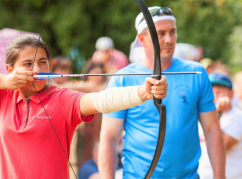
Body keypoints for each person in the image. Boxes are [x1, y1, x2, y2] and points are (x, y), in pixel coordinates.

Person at [0, 34, 168, 179]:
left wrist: (144, 92)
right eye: (27, 64)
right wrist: (6, 81)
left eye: (42, 62)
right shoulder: (4, 97)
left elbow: (101, 100)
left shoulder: (60, 99)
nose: (37, 69)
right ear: (10, 69)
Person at [98, 6, 225, 179]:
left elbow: (211, 130)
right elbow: (109, 138)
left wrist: (220, 176)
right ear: (142, 39)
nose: (169, 39)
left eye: (173, 32)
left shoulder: (196, 73)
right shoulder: (122, 79)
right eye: (160, 33)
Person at [198, 73, 242, 178]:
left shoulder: (238, 117)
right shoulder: (202, 114)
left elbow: (220, 145)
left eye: (220, 92)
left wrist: (218, 113)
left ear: (232, 94)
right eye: (211, 92)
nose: (215, 96)